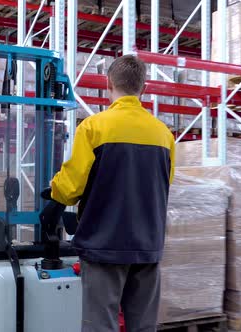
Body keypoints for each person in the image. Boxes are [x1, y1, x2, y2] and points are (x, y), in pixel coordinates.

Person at [49, 55, 176, 332]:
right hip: (147, 245)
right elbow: (166, 182)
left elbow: (71, 187)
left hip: (103, 243)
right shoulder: (164, 135)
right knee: (143, 327)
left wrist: (54, 196)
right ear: (144, 88)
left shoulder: (94, 128)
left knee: (100, 325)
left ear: (108, 84)